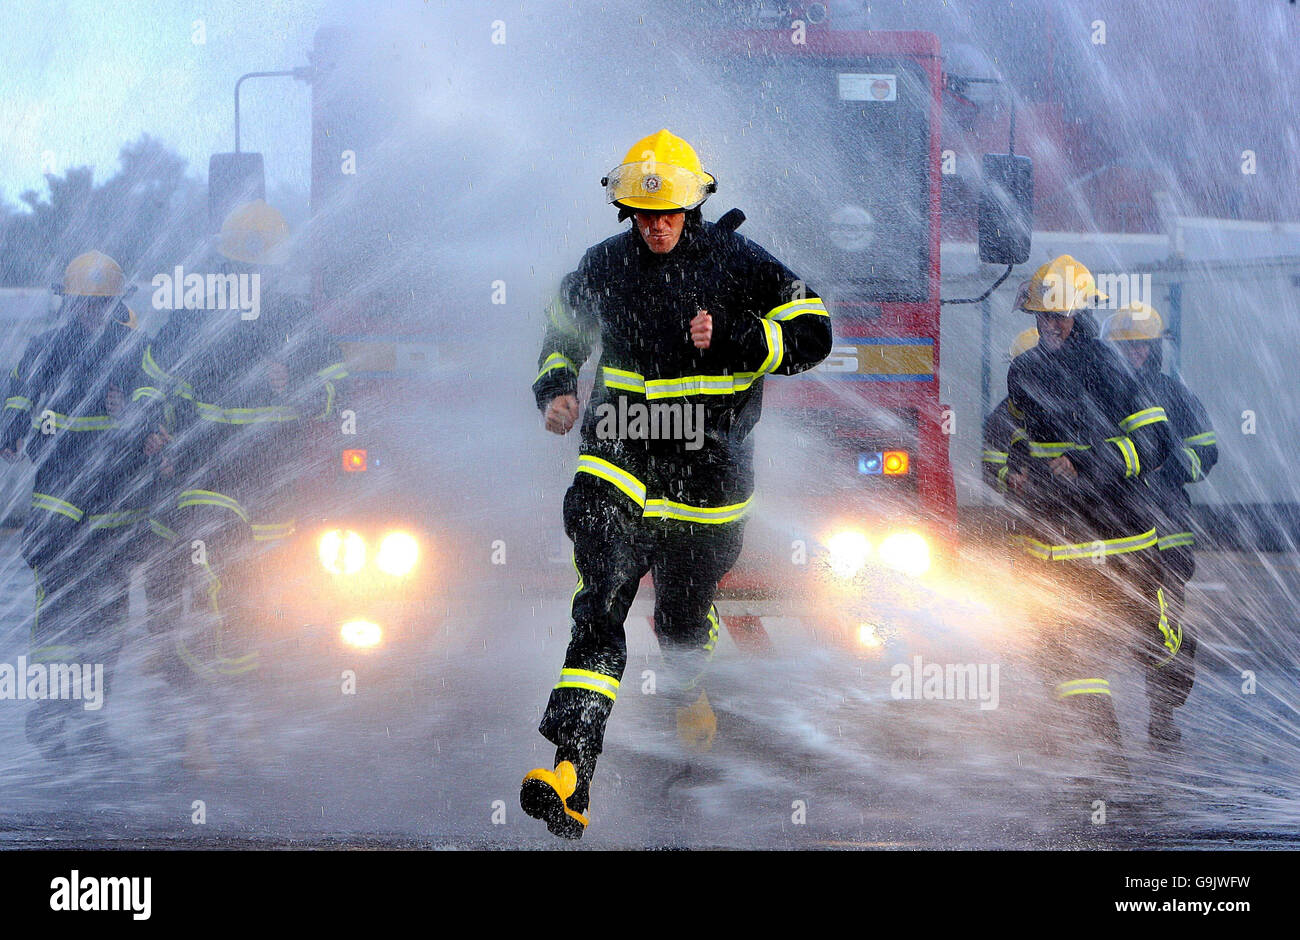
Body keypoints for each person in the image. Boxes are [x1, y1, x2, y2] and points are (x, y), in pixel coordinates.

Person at [519, 129, 833, 839]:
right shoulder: (603, 265)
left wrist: (744, 337)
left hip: (710, 474)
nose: (656, 227)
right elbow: (563, 329)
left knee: (681, 618)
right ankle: (572, 770)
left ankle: (689, 683)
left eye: (668, 214)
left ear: (693, 207)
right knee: (600, 597)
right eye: (642, 213)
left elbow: (814, 330)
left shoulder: (736, 261)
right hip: (619, 454)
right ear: (626, 211)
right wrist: (557, 388)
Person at [136, 200, 347, 763]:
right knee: (216, 587)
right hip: (209, 475)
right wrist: (155, 431)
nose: (249, 280)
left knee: (260, 597)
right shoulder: (192, 320)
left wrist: (296, 383)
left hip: (272, 480)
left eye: (257, 271)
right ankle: (207, 717)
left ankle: (242, 713)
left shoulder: (299, 321)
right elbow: (151, 383)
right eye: (239, 271)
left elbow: (335, 391)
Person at [1003, 254, 1176, 779]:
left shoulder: (1110, 367)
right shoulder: (1024, 369)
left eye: (1063, 316)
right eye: (1044, 316)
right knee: (1060, 648)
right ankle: (1106, 753)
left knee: (1150, 645)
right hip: (1053, 537)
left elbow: (1155, 441)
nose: (1053, 325)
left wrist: (1085, 465)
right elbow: (1022, 435)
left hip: (1117, 534)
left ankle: (1161, 683)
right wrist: (1019, 467)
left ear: (1083, 315)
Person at [0, 251, 150, 759]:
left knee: (110, 613)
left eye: (102, 305)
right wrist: (12, 433)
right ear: (69, 304)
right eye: (86, 305)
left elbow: (158, 397)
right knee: (61, 607)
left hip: (115, 503)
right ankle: (48, 712)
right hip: (60, 500)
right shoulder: (46, 348)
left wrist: (136, 413)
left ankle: (90, 719)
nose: (93, 314)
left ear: (114, 306)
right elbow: (19, 394)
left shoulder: (133, 350)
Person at [1101, 302, 1217, 750]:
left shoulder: (1175, 395)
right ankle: (1094, 714)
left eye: (1144, 346)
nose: (1137, 354)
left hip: (1166, 534)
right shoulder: (1100, 392)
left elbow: (1206, 451)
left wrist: (1167, 469)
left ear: (1155, 348)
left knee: (1163, 626)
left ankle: (1162, 713)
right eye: (1128, 346)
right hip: (1113, 531)